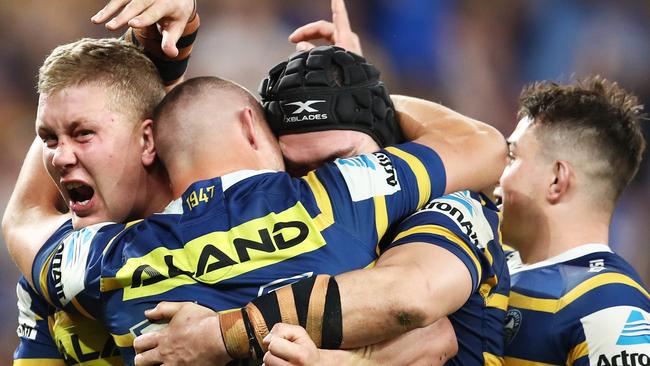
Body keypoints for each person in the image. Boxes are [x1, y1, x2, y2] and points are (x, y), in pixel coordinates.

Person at [132, 2, 508, 365]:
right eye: (297, 167)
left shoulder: (447, 204)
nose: (320, 182)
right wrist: (158, 58)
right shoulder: (289, 221)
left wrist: (221, 335)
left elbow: (417, 310)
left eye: (337, 162)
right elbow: (167, 158)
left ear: (387, 144)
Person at [4, 1, 200, 363]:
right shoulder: (235, 222)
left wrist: (157, 54)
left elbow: (24, 215)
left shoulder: (49, 263)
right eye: (48, 139)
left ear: (147, 140)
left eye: (83, 134)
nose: (60, 157)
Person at [500, 77, 650, 365]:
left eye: (511, 157)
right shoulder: (489, 268)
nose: (498, 173)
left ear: (557, 180)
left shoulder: (610, 306)